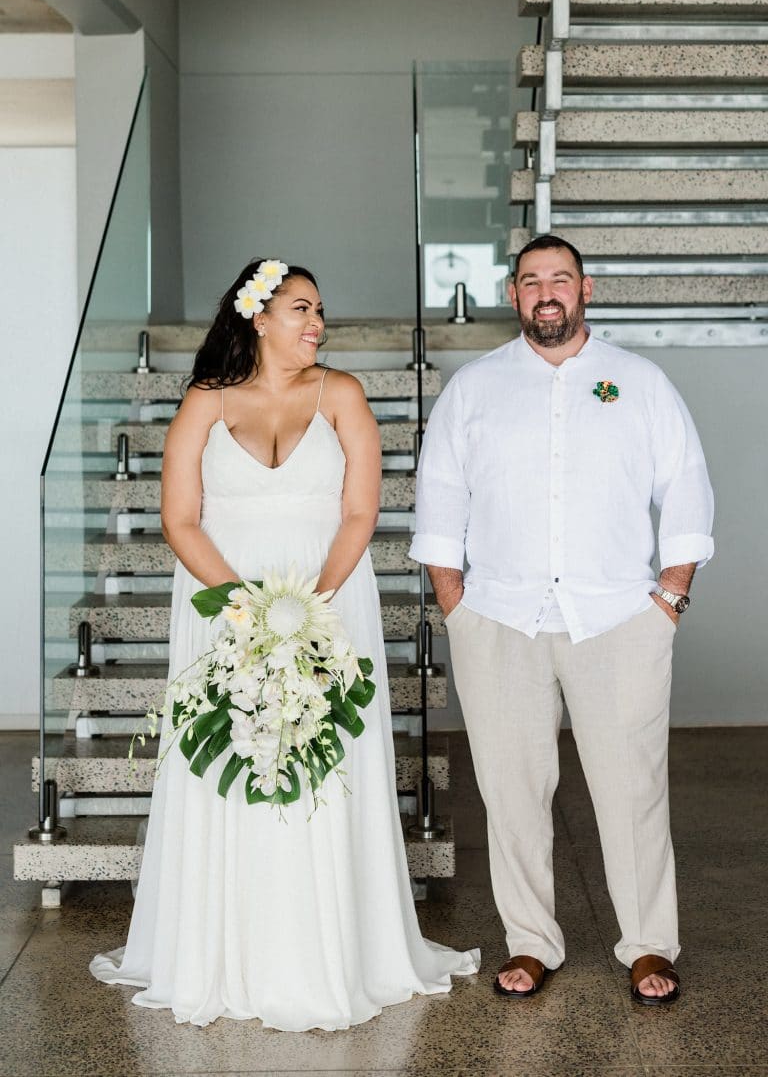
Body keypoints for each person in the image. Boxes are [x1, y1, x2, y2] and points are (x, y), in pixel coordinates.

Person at [90, 258, 479, 1029]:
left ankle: (332, 951)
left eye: (319, 311)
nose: (317, 324)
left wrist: (311, 611)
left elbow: (361, 513)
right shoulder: (205, 402)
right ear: (257, 317)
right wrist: (249, 613)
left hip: (330, 608)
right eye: (302, 309)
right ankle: (225, 954)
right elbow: (180, 519)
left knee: (324, 763)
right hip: (222, 611)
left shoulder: (343, 395)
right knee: (227, 769)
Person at [410, 234, 714, 1006]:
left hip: (618, 616)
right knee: (511, 792)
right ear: (513, 295)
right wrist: (457, 602)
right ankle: (531, 943)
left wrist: (670, 594)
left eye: (561, 279)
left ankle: (648, 946)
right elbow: (440, 492)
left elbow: (685, 484)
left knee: (632, 788)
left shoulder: (639, 382)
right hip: (499, 617)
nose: (548, 292)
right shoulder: (473, 389)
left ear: (586, 290)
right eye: (532, 281)